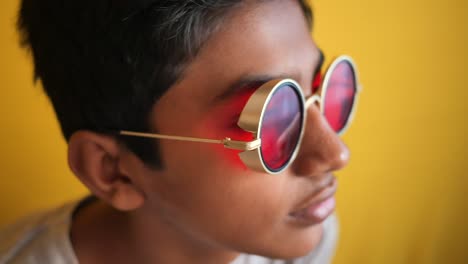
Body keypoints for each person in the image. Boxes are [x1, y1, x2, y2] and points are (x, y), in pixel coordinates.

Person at [0, 0, 359, 263]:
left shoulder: (308, 234)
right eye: (271, 116)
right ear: (114, 171)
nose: (335, 153)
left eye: (320, 89)